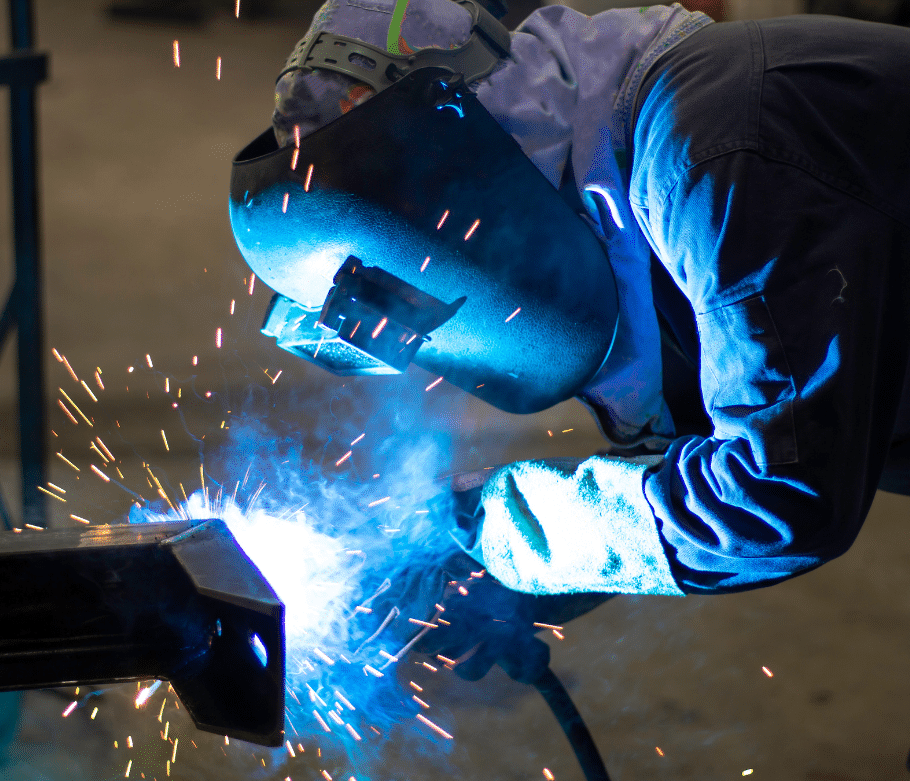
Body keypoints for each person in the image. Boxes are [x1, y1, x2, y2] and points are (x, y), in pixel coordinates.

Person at [228, 0, 910, 596]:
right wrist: (502, 593)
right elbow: (695, 459)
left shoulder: (711, 156)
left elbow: (779, 493)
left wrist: (499, 530)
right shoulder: (613, 206)